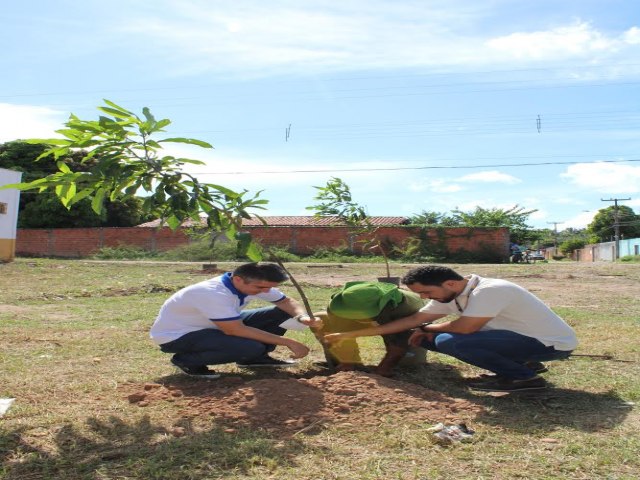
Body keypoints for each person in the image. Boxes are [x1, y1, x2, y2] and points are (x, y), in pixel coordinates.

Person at [324, 265, 577, 392]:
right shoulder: (450, 295)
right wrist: (349, 334)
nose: (424, 297)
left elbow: (464, 328)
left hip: (549, 344)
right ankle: (523, 365)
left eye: (426, 292)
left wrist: (430, 329)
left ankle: (525, 379)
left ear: (450, 283)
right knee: (420, 336)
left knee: (449, 340)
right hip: (515, 339)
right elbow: (411, 322)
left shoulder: (491, 290)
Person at [150, 262, 320, 378]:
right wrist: (288, 342)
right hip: (180, 335)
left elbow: (285, 302)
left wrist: (301, 317)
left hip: (215, 325)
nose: (266, 292)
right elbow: (234, 330)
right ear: (238, 279)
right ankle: (186, 360)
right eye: (261, 288)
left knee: (280, 312)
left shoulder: (255, 285)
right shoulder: (211, 293)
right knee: (251, 346)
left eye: (270, 288)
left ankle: (254, 359)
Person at [315, 281, 426, 377]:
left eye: (362, 314)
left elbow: (400, 340)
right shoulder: (340, 304)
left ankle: (392, 364)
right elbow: (341, 333)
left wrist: (385, 367)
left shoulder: (403, 308)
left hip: (405, 323)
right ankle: (348, 362)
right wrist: (347, 361)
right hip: (372, 322)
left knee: (409, 364)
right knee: (321, 318)